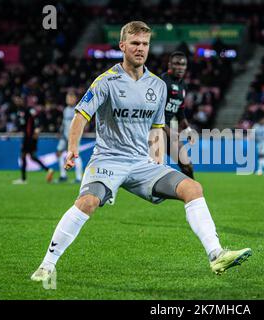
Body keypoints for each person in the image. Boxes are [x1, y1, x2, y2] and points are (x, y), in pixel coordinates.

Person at [31, 21, 251, 283]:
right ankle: (47, 265)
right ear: (122, 45)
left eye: (145, 44)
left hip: (141, 163)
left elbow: (157, 127)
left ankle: (216, 255)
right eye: (135, 43)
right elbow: (81, 116)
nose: (140, 48)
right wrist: (72, 149)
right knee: (87, 203)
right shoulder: (106, 81)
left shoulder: (158, 86)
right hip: (108, 160)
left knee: (193, 188)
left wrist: (157, 156)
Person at [161, 51, 195, 179]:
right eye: (176, 64)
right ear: (169, 65)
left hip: (168, 130)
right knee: (153, 169)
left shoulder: (183, 85)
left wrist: (188, 129)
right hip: (152, 130)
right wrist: (170, 132)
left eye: (183, 64)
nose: (180, 67)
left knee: (187, 165)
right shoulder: (162, 82)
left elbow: (180, 111)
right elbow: (152, 113)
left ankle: (194, 196)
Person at [12, 104, 54, 184]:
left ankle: (23, 179)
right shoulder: (33, 114)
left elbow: (25, 126)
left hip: (28, 138)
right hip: (33, 138)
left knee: (23, 156)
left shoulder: (25, 113)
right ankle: (48, 169)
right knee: (33, 157)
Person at [56, 92, 83, 183]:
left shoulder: (78, 109)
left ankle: (79, 178)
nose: (68, 100)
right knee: (59, 153)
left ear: (75, 99)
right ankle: (63, 176)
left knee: (75, 155)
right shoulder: (66, 109)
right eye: (67, 98)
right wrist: (60, 131)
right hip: (64, 136)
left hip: (74, 137)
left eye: (70, 98)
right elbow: (64, 123)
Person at [253, 111, 264, 175]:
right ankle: (263, 169)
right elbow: (253, 134)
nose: (262, 121)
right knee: (261, 157)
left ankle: (263, 170)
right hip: (258, 143)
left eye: (263, 120)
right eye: (261, 120)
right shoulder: (256, 126)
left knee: (261, 156)